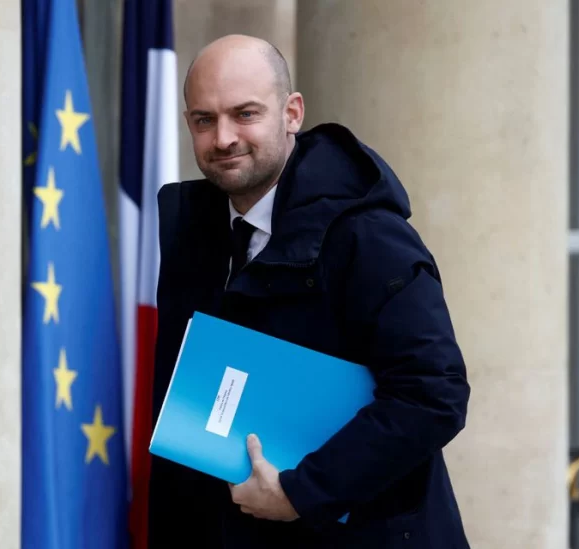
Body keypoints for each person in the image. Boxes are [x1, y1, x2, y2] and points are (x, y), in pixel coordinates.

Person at [147, 34, 471, 549]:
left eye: (245, 113)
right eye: (204, 120)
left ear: (292, 112)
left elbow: (434, 394)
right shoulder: (194, 236)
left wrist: (305, 492)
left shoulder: (367, 235)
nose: (224, 137)